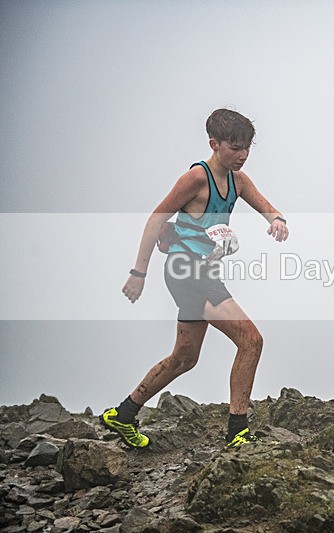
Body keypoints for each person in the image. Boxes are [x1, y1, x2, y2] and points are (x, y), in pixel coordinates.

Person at [101, 108, 289, 448]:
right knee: (252, 341)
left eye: (246, 147)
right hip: (185, 270)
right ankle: (238, 431)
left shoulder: (239, 180)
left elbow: (267, 207)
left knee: (185, 358)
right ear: (214, 144)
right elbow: (156, 220)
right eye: (234, 147)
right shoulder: (196, 178)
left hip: (201, 270)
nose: (242, 154)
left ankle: (123, 414)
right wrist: (137, 273)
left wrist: (277, 221)